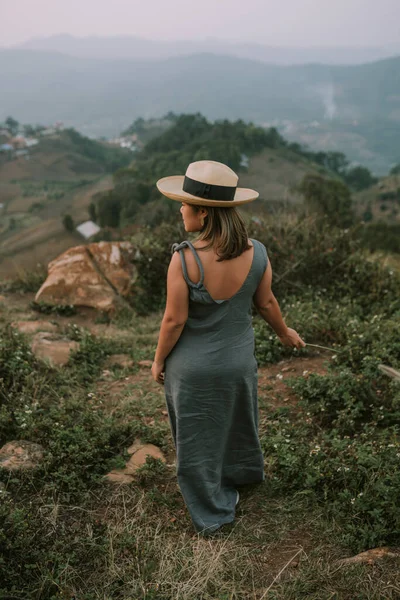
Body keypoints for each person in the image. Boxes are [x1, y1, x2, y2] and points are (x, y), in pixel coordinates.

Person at [152, 160, 305, 534]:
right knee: (237, 420)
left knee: (197, 434)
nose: (181, 209)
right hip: (238, 363)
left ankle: (212, 509)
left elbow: (173, 321)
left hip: (194, 368)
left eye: (185, 204)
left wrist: (158, 361)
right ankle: (241, 475)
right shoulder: (257, 253)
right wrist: (285, 333)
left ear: (203, 212)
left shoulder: (184, 258)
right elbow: (266, 303)